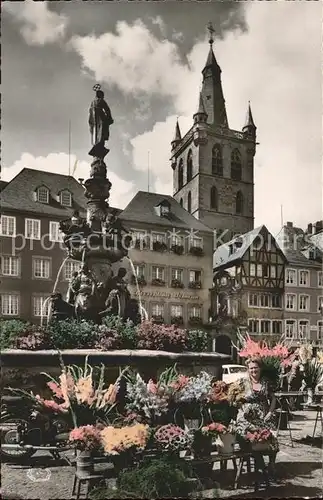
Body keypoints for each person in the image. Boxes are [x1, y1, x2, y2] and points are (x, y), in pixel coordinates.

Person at [236, 357, 279, 473]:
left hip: (263, 415)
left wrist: (270, 412)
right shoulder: (242, 382)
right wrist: (242, 409)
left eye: (256, 367)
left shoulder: (266, 382)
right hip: (247, 417)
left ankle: (271, 464)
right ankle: (259, 463)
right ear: (248, 369)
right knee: (250, 436)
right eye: (251, 368)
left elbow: (273, 398)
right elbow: (235, 398)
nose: (253, 370)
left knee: (271, 435)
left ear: (260, 368)